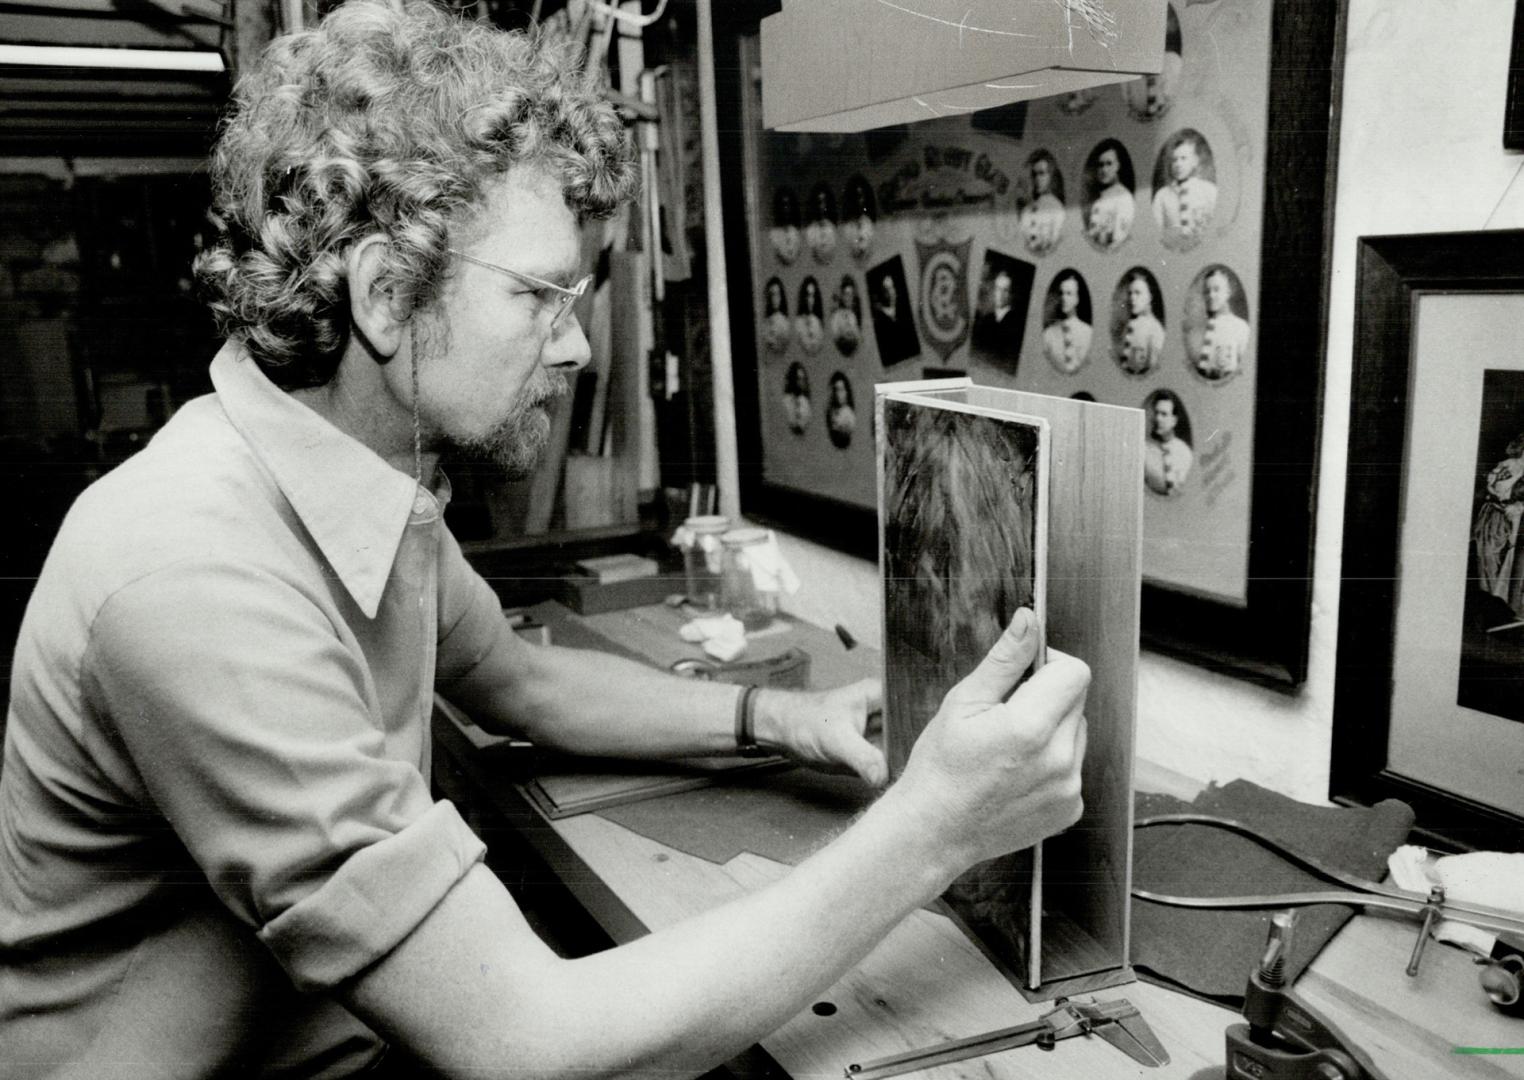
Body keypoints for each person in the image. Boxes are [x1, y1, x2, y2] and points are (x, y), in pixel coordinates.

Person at [0, 5, 1092, 1077]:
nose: (573, 345)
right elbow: (525, 1041)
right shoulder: (199, 576)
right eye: (537, 296)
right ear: (387, 294)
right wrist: (934, 827)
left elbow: (520, 684)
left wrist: (783, 718)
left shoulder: (367, 474)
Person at [1473, 434, 1524, 617]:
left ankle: (1505, 607)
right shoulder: (1508, 464)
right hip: (1495, 517)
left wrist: (1519, 506)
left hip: (1516, 522)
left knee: (1510, 562)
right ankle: (1492, 605)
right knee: (1487, 557)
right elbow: (1494, 488)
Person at [1152, 130, 1217, 249]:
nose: (1178, 164)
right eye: (1174, 160)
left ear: (1195, 162)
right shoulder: (1162, 195)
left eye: (1183, 158)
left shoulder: (1209, 191)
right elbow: (1156, 233)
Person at [1194, 265, 1249, 379]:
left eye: (1216, 289)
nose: (1211, 296)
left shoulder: (1240, 327)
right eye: (1207, 291)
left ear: (1227, 293)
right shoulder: (1199, 328)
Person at [1083, 140, 1135, 252]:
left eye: (1109, 164)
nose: (1104, 170)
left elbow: (1119, 241)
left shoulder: (1124, 197)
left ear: (1118, 166)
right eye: (1100, 165)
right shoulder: (1099, 200)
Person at [969, 266, 1023, 369]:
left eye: (1005, 290)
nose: (1000, 295)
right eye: (998, 289)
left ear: (1012, 294)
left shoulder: (1017, 325)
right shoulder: (986, 319)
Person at [1041, 269, 1093, 375]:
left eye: (1069, 293)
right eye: (1062, 293)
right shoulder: (1048, 333)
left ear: (1077, 298)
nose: (1064, 298)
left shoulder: (1088, 333)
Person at [1143, 388, 1194, 496]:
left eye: (1164, 414)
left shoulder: (1184, 452)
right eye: (1156, 413)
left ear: (1174, 421)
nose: (1158, 419)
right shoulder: (1144, 450)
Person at [1115, 268, 1165, 375]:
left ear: (1149, 297)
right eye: (1130, 293)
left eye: (1138, 293)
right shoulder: (1128, 326)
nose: (1132, 298)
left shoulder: (1155, 330)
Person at [1018, 149, 1066, 256]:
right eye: (1034, 174)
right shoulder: (1028, 208)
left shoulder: (1057, 208)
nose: (1037, 179)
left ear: (1051, 176)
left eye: (1042, 173)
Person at [870, 265, 919, 365]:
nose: (890, 292)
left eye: (892, 287)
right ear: (883, 293)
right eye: (886, 289)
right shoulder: (880, 318)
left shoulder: (904, 310)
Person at [841, 175, 877, 261]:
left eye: (862, 196)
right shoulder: (848, 228)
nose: (861, 200)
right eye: (857, 196)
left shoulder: (868, 222)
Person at [804, 183, 838, 263]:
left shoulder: (833, 229)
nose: (822, 206)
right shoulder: (810, 231)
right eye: (819, 202)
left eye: (825, 202)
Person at [830, 275, 862, 356]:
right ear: (842, 296)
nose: (849, 298)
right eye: (847, 294)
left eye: (851, 295)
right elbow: (835, 338)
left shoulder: (852, 316)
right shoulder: (836, 316)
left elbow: (858, 337)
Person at [770, 186, 802, 265]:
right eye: (783, 205)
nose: (786, 209)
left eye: (788, 205)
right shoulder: (773, 234)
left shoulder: (797, 233)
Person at [794, 276, 825, 355]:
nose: (810, 300)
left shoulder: (817, 322)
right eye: (807, 295)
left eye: (812, 296)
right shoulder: (797, 323)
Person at [826, 371, 856, 448]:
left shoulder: (849, 414)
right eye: (836, 390)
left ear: (846, 392)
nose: (838, 394)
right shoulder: (831, 412)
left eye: (841, 390)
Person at [762, 276, 790, 353]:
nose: (774, 299)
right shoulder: (764, 322)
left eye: (777, 294)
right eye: (772, 294)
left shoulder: (785, 322)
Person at [783, 360, 813, 433]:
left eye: (803, 379)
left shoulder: (805, 402)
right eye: (799, 379)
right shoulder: (786, 400)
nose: (802, 383)